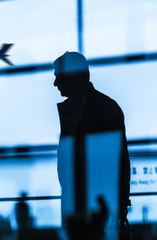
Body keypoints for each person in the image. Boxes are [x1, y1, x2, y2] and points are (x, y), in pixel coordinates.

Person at [53, 51, 131, 234]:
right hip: (82, 205)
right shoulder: (104, 107)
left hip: (96, 206)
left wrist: (118, 202)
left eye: (58, 78)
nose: (55, 84)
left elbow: (119, 160)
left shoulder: (105, 108)